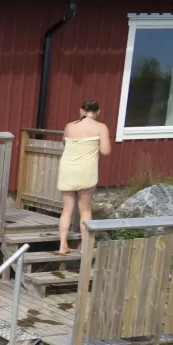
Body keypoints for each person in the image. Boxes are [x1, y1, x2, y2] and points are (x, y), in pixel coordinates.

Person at [57, 99, 111, 255]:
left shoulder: (69, 126)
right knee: (85, 210)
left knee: (67, 210)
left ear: (81, 110)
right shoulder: (101, 127)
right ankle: (85, 247)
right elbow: (106, 151)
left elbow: (65, 143)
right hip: (86, 171)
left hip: (68, 170)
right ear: (98, 112)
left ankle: (62, 245)